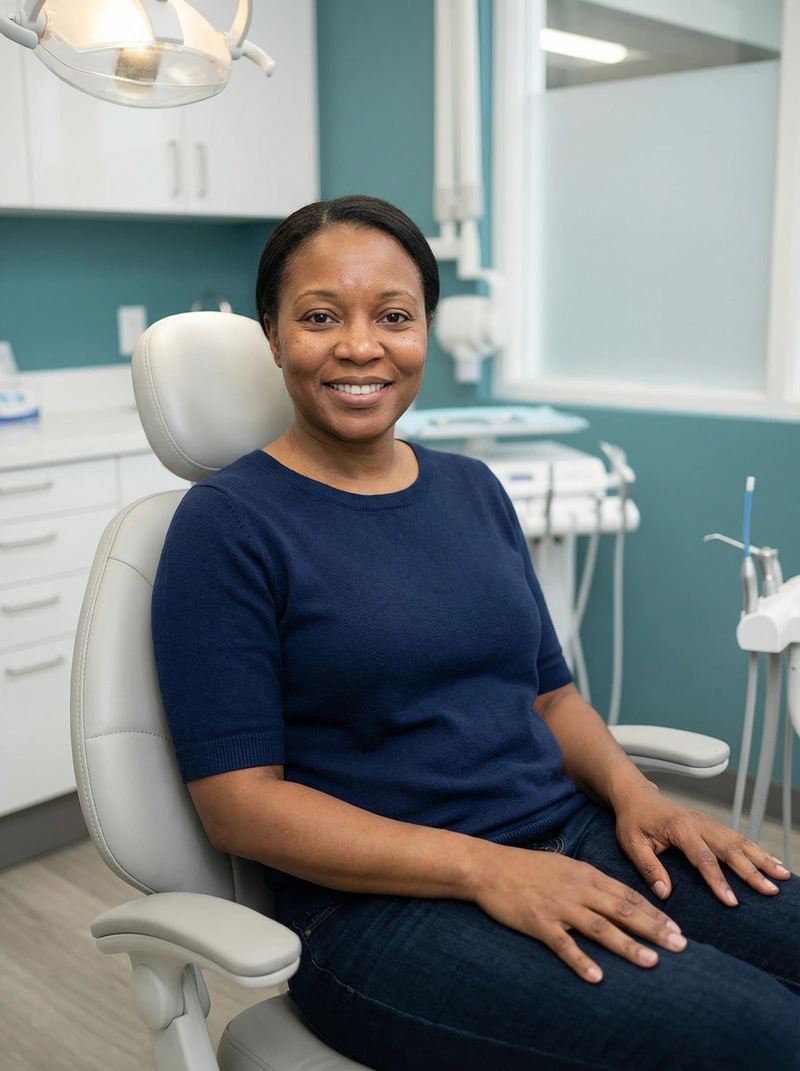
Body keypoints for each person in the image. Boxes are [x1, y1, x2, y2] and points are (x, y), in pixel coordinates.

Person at [151, 195, 800, 1071]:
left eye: (393, 316)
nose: (359, 346)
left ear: (424, 329)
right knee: (755, 1032)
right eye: (318, 317)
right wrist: (484, 867)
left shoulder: (472, 489)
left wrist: (636, 794)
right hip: (376, 912)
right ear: (272, 335)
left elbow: (552, 694)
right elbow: (241, 804)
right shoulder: (227, 525)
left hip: (570, 832)